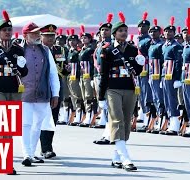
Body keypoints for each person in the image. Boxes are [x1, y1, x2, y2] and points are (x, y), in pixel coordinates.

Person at [0, 10, 28, 175]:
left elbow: (24, 74)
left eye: (9, 30)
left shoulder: (18, 50)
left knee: (10, 128)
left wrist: (22, 66)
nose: (8, 32)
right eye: (4, 30)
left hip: (15, 90)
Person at [99, 12, 144, 171]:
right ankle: (126, 159)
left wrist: (140, 64)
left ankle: (116, 157)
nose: (124, 33)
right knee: (117, 120)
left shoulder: (133, 49)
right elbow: (103, 74)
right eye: (120, 31)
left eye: (125, 31)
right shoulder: (107, 49)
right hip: (113, 89)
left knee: (125, 122)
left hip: (130, 88)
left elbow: (136, 72)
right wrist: (101, 96)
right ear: (114, 34)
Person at [20, 22, 60, 166]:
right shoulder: (19, 49)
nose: (37, 36)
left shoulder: (45, 50)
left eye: (38, 33)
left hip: (42, 93)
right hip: (24, 93)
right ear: (25, 35)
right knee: (26, 123)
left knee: (37, 124)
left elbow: (53, 74)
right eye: (34, 33)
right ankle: (26, 153)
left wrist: (55, 93)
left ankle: (32, 152)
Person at [39, 24, 69, 159]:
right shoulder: (37, 49)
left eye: (52, 36)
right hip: (40, 86)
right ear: (41, 36)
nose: (51, 38)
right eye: (47, 36)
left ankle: (48, 146)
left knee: (53, 117)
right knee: (40, 117)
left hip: (56, 85)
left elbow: (63, 70)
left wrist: (66, 70)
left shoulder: (60, 49)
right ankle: (42, 147)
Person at [160, 17, 183, 136]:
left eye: (170, 31)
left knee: (172, 100)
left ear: (174, 33)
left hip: (172, 77)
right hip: (165, 76)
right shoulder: (164, 45)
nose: (168, 33)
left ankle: (175, 125)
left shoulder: (176, 46)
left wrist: (178, 78)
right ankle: (170, 122)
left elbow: (179, 63)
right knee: (166, 100)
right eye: (166, 31)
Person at [93, 13, 114, 144]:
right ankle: (107, 131)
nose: (104, 32)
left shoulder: (112, 45)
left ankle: (109, 133)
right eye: (102, 30)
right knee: (104, 106)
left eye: (106, 30)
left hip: (109, 78)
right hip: (100, 76)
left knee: (109, 105)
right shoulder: (100, 45)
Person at [136, 12, 153, 132]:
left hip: (146, 70)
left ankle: (148, 119)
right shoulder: (138, 39)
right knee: (141, 94)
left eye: (144, 26)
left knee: (147, 95)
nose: (142, 28)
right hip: (139, 70)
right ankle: (143, 115)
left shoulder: (148, 40)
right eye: (140, 26)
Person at [147, 19, 164, 133]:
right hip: (152, 75)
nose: (153, 33)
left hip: (159, 75)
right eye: (151, 32)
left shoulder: (161, 45)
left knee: (160, 98)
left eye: (155, 32)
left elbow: (163, 62)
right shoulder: (151, 45)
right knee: (155, 98)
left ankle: (162, 119)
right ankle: (158, 119)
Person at [78, 25, 97, 127]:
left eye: (85, 38)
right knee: (84, 96)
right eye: (82, 38)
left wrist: (92, 76)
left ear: (90, 39)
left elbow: (92, 63)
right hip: (82, 76)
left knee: (89, 96)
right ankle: (87, 114)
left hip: (88, 75)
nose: (83, 39)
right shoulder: (82, 50)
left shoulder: (91, 50)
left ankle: (90, 115)